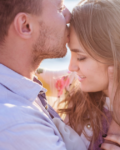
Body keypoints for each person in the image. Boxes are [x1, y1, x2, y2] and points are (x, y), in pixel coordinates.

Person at [37, 0, 120, 150]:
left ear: (119, 59)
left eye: (81, 57)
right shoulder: (71, 84)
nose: (71, 66)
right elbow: (24, 77)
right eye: (71, 53)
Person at [0, 0, 87, 149]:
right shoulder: (20, 126)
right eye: (60, 9)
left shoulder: (20, 88)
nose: (69, 15)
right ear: (25, 26)